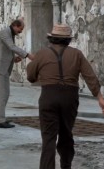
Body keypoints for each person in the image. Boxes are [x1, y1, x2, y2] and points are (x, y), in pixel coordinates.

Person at [26, 23, 104, 169]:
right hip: (70, 98)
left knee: (48, 138)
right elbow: (90, 76)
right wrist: (99, 97)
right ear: (68, 40)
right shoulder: (77, 54)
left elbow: (30, 76)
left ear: (52, 39)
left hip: (48, 97)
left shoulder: (42, 53)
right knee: (66, 134)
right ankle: (66, 165)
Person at [0, 19, 34, 128]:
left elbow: (4, 51)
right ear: (15, 26)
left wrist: (13, 59)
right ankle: (0, 120)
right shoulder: (5, 33)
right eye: (20, 29)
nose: (21, 31)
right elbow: (11, 47)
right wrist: (27, 55)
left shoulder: (9, 33)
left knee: (5, 94)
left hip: (2, 68)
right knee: (2, 94)